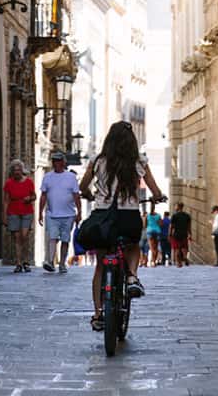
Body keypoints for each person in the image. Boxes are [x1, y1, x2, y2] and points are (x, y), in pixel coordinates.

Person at [80, 120, 164, 331]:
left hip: (103, 216)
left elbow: (83, 185)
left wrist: (89, 194)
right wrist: (157, 197)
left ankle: (98, 314)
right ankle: (132, 277)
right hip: (129, 216)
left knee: (100, 265)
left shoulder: (98, 161)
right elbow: (154, 189)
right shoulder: (139, 162)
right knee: (133, 245)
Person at [39, 151, 82, 274]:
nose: (56, 163)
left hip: (68, 215)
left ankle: (62, 263)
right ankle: (51, 261)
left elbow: (76, 195)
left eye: (58, 161)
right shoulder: (47, 177)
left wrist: (79, 213)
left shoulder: (71, 177)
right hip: (52, 214)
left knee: (65, 240)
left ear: (64, 163)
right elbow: (43, 195)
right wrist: (40, 212)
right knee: (52, 237)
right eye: (54, 161)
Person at [2, 159, 36, 273]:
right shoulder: (9, 183)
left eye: (19, 170)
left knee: (24, 236)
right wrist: (4, 216)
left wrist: (29, 198)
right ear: (12, 172)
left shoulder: (29, 182)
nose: (17, 172)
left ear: (22, 170)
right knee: (16, 238)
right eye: (15, 170)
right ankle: (18, 263)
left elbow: (34, 196)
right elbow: (6, 200)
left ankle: (26, 261)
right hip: (13, 211)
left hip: (27, 211)